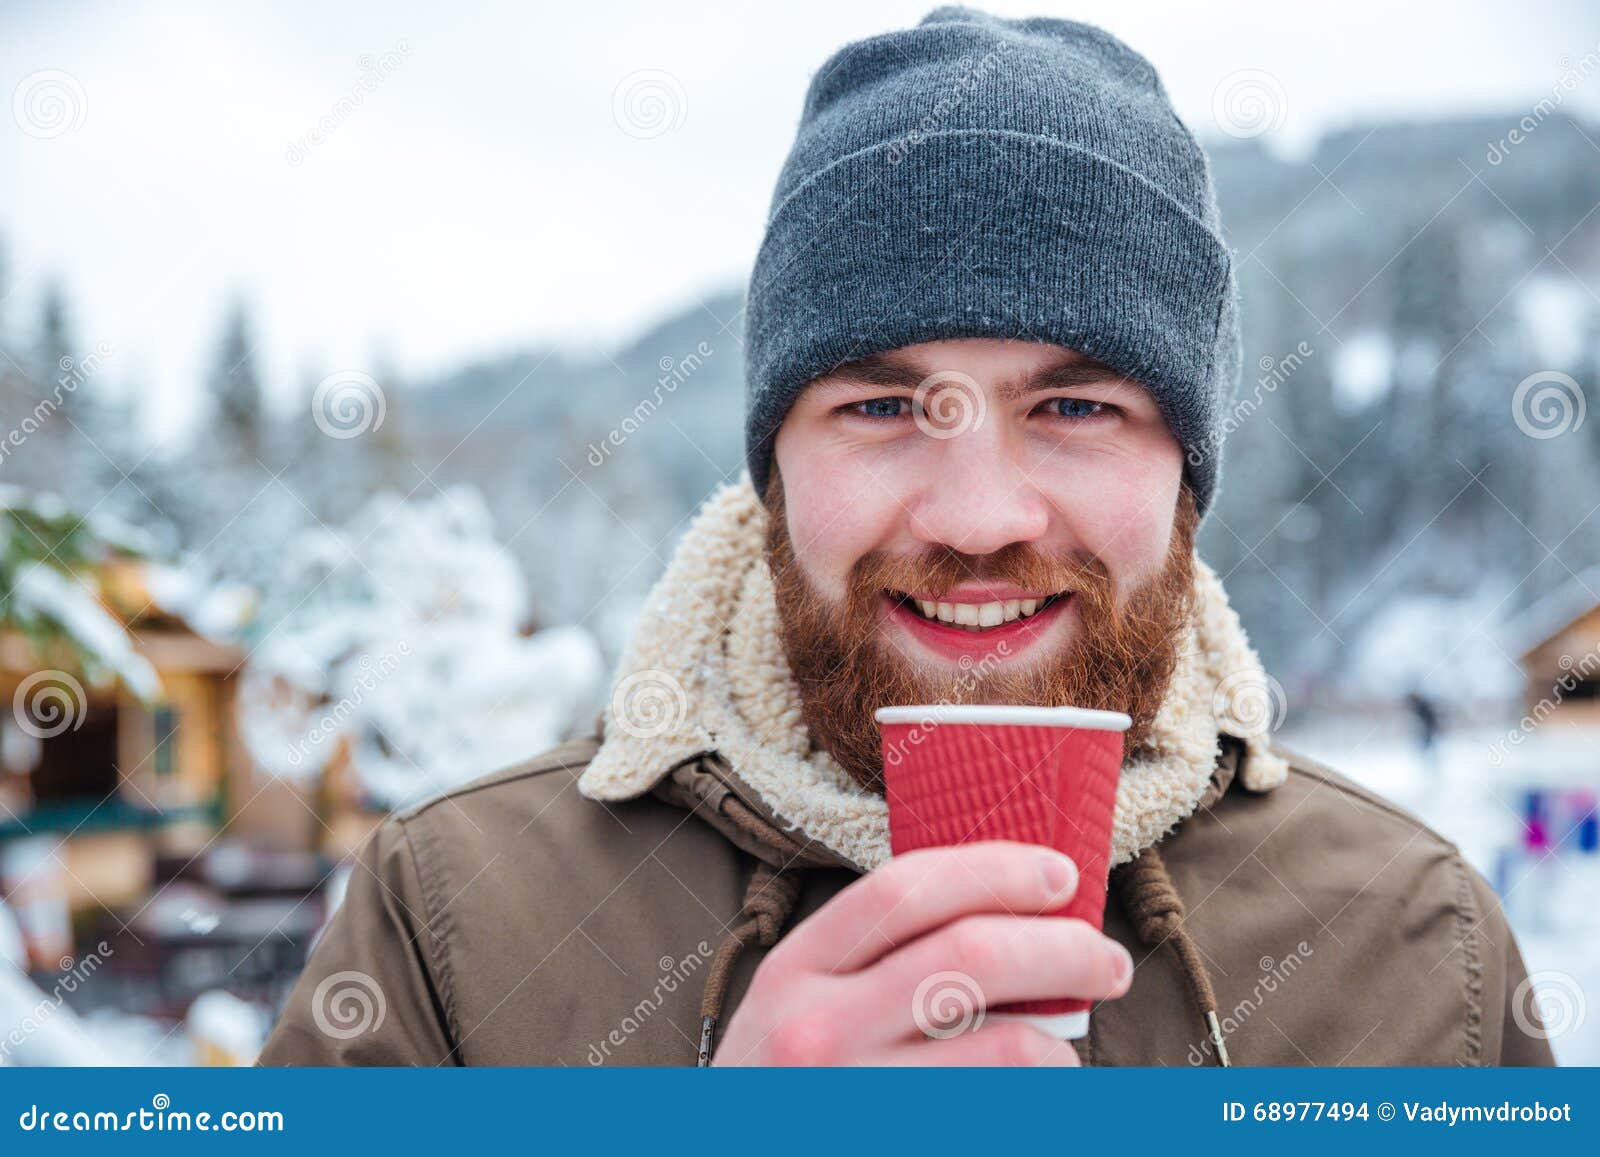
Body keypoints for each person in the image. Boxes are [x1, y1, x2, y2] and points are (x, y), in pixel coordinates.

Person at [260, 6, 1552, 1067]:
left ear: (1186, 479)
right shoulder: (451, 917)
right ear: (773, 466)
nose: (979, 516)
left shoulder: (1415, 941)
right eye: (880, 405)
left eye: (1078, 406)